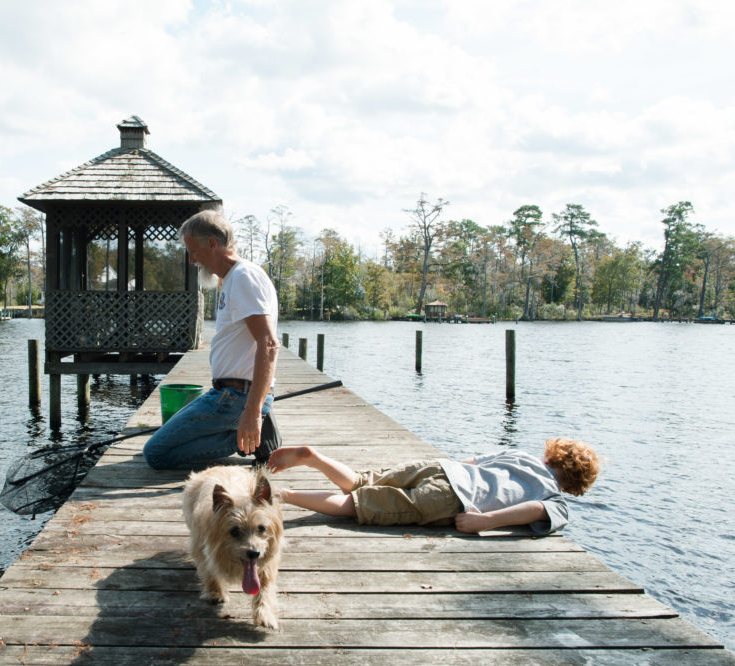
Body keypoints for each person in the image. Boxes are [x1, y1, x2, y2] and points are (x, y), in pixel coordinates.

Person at [142, 210, 281, 470]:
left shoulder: (243, 277)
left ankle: (253, 436)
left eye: (193, 251)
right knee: (165, 439)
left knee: (156, 453)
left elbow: (269, 344)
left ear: (213, 244)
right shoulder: (234, 278)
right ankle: (253, 431)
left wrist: (251, 414)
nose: (191, 260)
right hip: (228, 394)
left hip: (238, 397)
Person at [267, 438, 599, 535]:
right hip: (451, 498)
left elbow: (472, 462)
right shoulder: (555, 497)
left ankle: (315, 457)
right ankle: (283, 495)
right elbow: (536, 509)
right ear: (574, 484)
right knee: (357, 505)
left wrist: (441, 471)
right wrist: (486, 521)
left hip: (442, 469)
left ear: (553, 455)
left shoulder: (520, 454)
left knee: (359, 481)